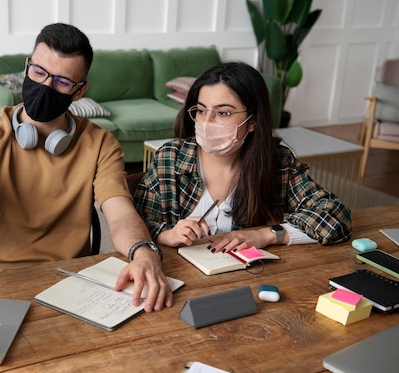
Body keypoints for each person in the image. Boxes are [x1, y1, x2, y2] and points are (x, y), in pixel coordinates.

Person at [0, 23, 172, 313]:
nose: (46, 86)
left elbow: (119, 213)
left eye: (62, 81)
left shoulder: (101, 144)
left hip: (66, 282)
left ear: (79, 91)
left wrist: (143, 251)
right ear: (27, 68)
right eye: (39, 72)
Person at [133, 61, 352, 253]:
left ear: (252, 121)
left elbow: (335, 216)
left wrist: (265, 235)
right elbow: (135, 223)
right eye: (201, 110)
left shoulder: (276, 162)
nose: (207, 122)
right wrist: (167, 235)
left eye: (223, 113)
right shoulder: (171, 157)